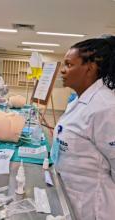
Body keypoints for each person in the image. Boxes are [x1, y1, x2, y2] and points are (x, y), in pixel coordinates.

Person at [52, 35, 115, 220]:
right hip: (72, 194)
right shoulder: (78, 101)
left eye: (69, 65)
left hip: (93, 204)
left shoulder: (106, 108)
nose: (63, 71)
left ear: (89, 69)